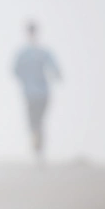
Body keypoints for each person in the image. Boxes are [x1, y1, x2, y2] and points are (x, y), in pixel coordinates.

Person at [12, 20, 62, 161]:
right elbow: (57, 71)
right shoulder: (43, 52)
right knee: (39, 122)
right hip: (42, 93)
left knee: (34, 122)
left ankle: (37, 148)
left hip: (31, 93)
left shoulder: (23, 53)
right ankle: (39, 150)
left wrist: (25, 80)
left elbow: (15, 71)